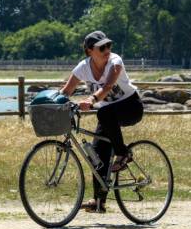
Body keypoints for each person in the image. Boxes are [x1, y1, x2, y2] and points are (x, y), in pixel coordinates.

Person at [59, 30, 144, 213]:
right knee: (96, 155)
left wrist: (91, 100)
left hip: (131, 107)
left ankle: (123, 154)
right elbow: (67, 91)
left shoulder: (115, 61)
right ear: (90, 50)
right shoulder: (83, 67)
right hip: (109, 113)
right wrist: (53, 103)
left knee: (103, 113)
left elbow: (108, 86)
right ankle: (99, 202)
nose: (107, 49)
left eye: (108, 45)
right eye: (102, 47)